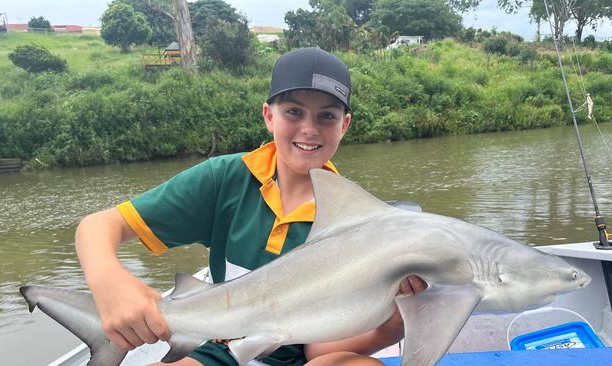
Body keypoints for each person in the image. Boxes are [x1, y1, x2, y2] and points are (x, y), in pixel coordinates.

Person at [75, 47, 426, 366]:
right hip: (218, 348)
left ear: (344, 125)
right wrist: (111, 284)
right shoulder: (224, 179)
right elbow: (97, 226)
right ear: (268, 115)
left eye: (327, 117)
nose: (309, 129)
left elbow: (319, 351)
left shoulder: (358, 222)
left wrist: (398, 317)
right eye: (293, 112)